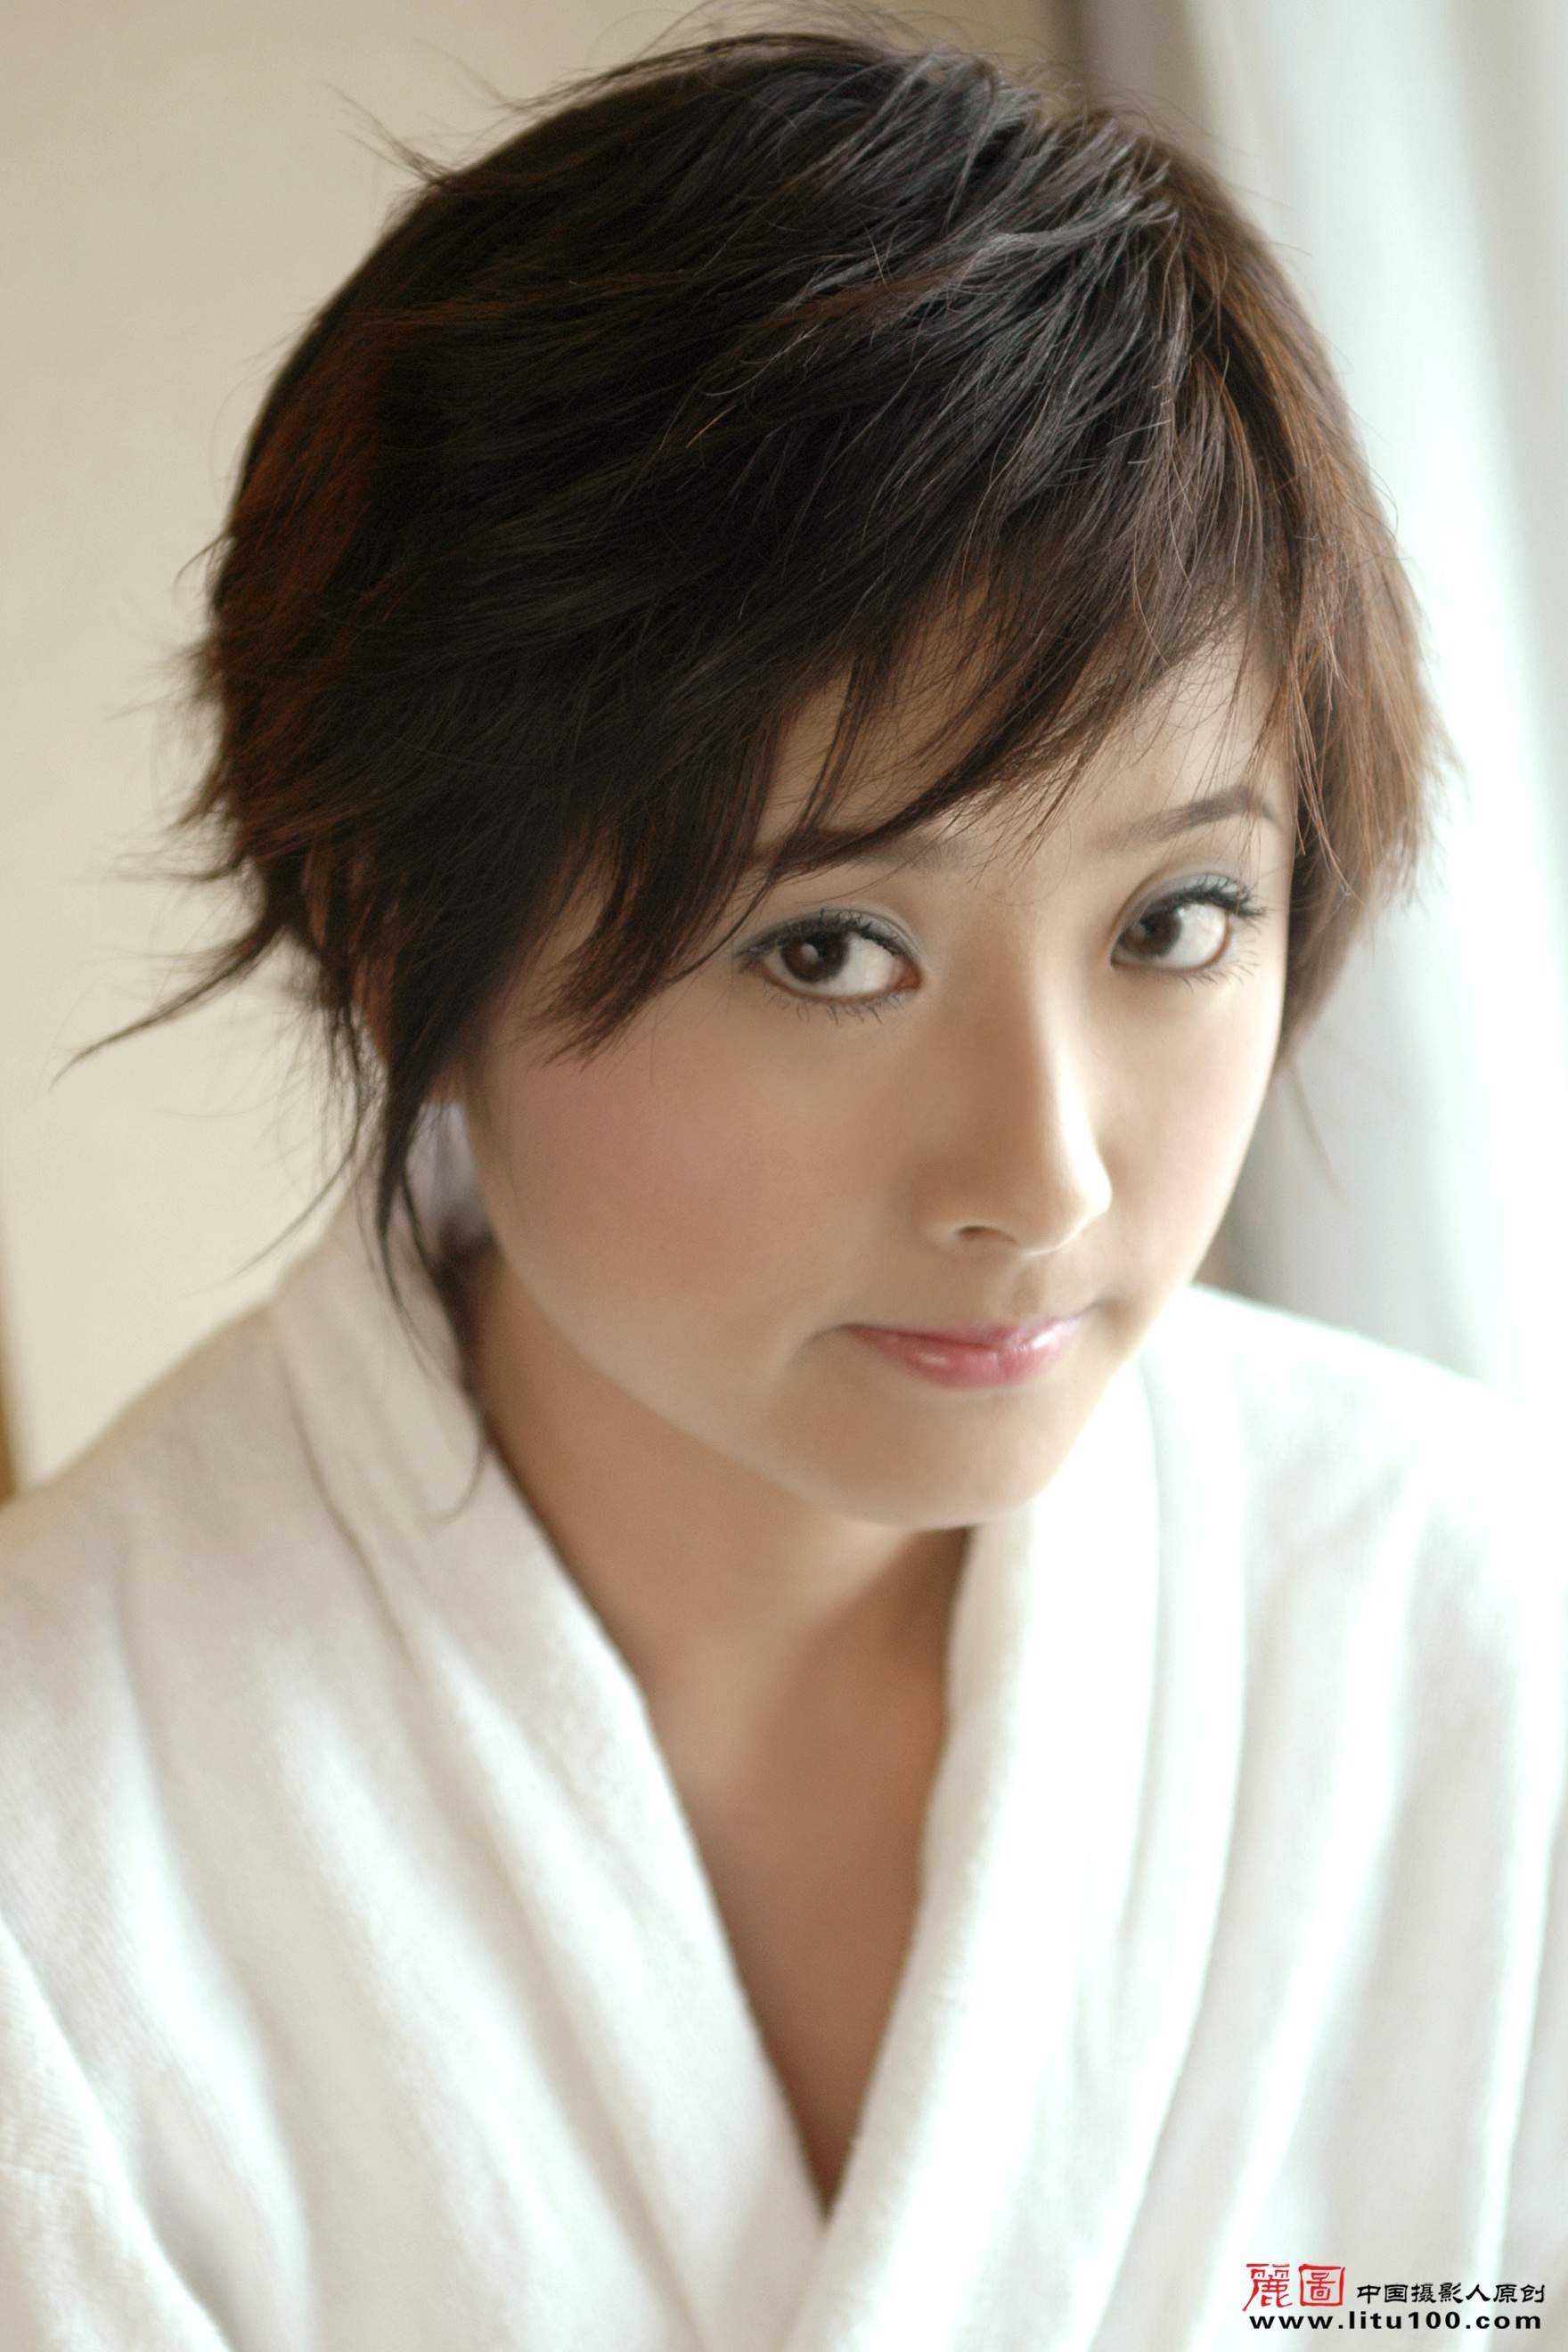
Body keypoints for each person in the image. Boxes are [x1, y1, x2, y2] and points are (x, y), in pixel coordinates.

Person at [0, 17, 1561, 2348]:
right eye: (828, 950)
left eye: (1174, 921)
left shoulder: (1487, 1633)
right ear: (399, 929)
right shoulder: (58, 1847)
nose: (1042, 1176)